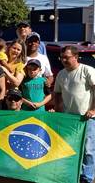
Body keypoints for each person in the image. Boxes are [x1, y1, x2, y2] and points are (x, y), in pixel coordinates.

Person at [54, 45, 95, 183]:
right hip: (69, 120)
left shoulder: (87, 70)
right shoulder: (61, 74)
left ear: (76, 57)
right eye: (62, 57)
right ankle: (71, 176)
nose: (63, 60)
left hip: (87, 118)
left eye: (67, 57)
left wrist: (94, 110)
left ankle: (87, 179)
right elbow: (58, 94)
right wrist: (58, 111)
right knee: (69, 148)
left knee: (88, 150)